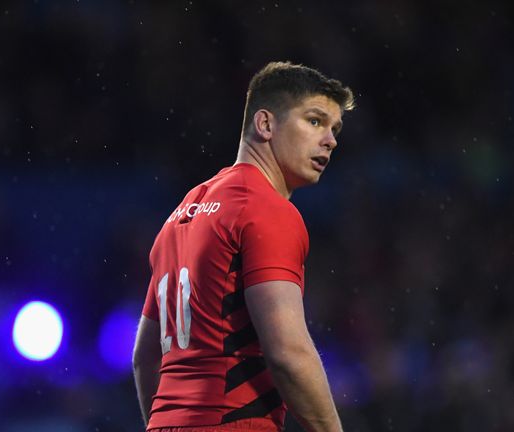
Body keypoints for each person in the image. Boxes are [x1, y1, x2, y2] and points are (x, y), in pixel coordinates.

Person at [133, 61, 354, 432]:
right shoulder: (265, 209)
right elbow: (288, 351)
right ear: (265, 124)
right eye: (315, 121)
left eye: (334, 129)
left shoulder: (181, 214)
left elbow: (145, 357)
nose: (330, 139)